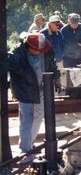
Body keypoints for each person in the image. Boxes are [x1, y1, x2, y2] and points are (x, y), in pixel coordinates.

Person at [0, 33, 61, 163]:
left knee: (39, 117)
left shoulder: (46, 50)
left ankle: (29, 145)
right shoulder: (17, 54)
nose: (39, 52)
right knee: (27, 120)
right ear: (28, 46)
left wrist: (57, 78)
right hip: (25, 90)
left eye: (41, 50)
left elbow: (52, 65)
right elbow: (4, 65)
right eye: (36, 50)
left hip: (41, 88)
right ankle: (25, 150)